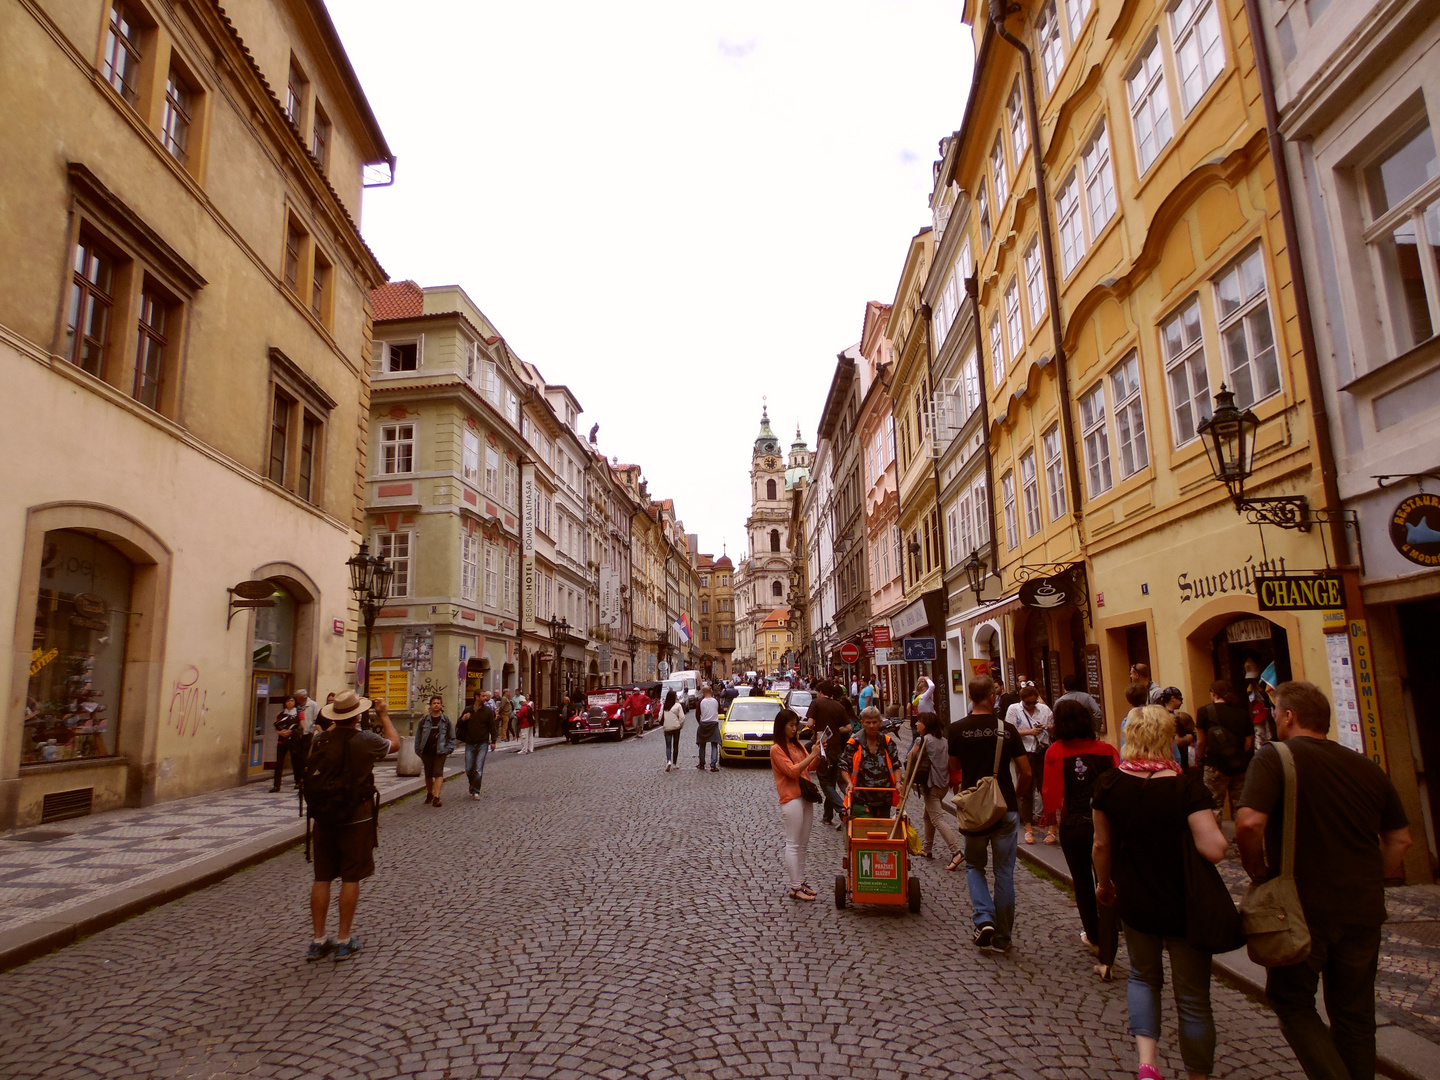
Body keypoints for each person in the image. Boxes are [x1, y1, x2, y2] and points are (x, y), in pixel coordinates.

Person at [1235, 681, 1412, 1080]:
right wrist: (1373, 877)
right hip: (1363, 908)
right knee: (1355, 1015)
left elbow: (1248, 823)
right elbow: (1401, 840)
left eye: (1277, 711)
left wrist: (1257, 871)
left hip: (1302, 906)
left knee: (1292, 1001)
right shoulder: (1367, 767)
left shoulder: (1275, 756)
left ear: (1288, 716)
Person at [1091, 705, 1229, 1080]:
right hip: (1184, 901)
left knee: (1142, 978)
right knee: (1194, 999)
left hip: (1135, 897)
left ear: (1130, 737)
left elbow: (1101, 846)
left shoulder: (1109, 785)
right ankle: (1198, 1074)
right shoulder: (1186, 787)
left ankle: (1147, 1063)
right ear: (1167, 738)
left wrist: (1104, 885)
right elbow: (1215, 849)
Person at [305, 690, 400, 962]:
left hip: (323, 817)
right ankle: (344, 939)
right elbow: (394, 744)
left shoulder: (320, 738)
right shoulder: (365, 740)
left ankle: (318, 939)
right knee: (350, 877)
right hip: (356, 815)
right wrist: (382, 714)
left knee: (322, 878)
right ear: (357, 715)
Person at [949, 675, 1030, 954]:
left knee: (974, 865)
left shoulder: (957, 729)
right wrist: (1016, 796)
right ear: (992, 697)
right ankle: (1003, 938)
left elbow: (954, 766)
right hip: (1004, 807)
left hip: (974, 810)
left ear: (971, 698)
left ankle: (984, 918)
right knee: (1005, 874)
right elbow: (1026, 771)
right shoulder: (1007, 730)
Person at [1042, 698, 1120, 979]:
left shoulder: (1056, 751)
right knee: (1108, 880)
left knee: (1083, 883)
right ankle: (1111, 936)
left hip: (1074, 824)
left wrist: (1051, 822)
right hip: (1106, 824)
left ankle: (1095, 934)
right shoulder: (1107, 750)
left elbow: (1050, 794)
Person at [770, 707, 823, 901]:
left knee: (803, 843)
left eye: (796, 725)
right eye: (791, 725)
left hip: (805, 796)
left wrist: (816, 755)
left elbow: (808, 768)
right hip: (791, 798)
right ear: (781, 726)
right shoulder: (776, 749)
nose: (795, 729)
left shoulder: (797, 745)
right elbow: (792, 772)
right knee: (793, 842)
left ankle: (799, 882)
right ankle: (794, 886)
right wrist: (811, 755)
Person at [908, 712, 963, 870]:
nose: (916, 724)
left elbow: (911, 757)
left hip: (931, 785)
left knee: (937, 819)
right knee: (927, 815)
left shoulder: (923, 740)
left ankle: (956, 852)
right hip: (943, 785)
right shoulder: (944, 741)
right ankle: (927, 849)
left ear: (926, 724)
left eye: (919, 721)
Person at [1195, 680, 1253, 820]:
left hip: (1215, 764)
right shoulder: (1243, 713)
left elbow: (1201, 741)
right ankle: (1240, 839)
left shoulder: (1204, 712)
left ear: (1213, 693)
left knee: (1214, 805)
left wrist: (1201, 758)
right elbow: (1248, 742)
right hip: (1240, 765)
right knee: (1240, 804)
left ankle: (1216, 840)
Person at [1005, 682, 1054, 845]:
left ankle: (1052, 827)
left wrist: (1047, 727)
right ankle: (1028, 827)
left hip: (1042, 752)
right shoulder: (1014, 709)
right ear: (1022, 701)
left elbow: (1055, 729)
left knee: (1046, 789)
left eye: (1034, 702)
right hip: (1024, 752)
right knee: (1026, 790)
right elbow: (1009, 731)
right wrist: (1030, 732)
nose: (1032, 706)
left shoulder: (1045, 710)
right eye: (1028, 703)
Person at [838, 706, 901, 821]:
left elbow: (896, 765)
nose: (871, 726)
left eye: (874, 722)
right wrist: (848, 783)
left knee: (883, 833)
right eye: (868, 722)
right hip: (861, 798)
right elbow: (844, 766)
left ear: (880, 723)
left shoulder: (887, 742)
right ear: (862, 723)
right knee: (864, 832)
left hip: (884, 797)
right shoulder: (854, 743)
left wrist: (898, 782)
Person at [808, 681, 851, 828]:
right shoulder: (839, 706)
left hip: (822, 749)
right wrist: (836, 731)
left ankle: (843, 809)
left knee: (825, 783)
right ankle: (827, 816)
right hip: (837, 749)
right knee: (831, 782)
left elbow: (810, 724)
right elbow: (849, 727)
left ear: (820, 691)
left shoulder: (816, 703)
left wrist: (815, 728)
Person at [413, 695, 455, 807]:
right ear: (430, 706)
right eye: (434, 703)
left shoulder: (446, 721)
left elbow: (451, 736)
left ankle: (437, 797)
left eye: (438, 703)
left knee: (438, 773)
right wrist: (418, 750)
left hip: (440, 751)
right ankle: (430, 793)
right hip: (426, 751)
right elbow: (418, 736)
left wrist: (448, 749)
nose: (436, 705)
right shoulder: (424, 721)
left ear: (441, 705)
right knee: (428, 774)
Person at [456, 692, 493, 800]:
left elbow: (492, 726)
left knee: (478, 768)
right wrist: (463, 719)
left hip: (483, 742)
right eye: (483, 696)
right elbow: (458, 724)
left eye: (486, 696)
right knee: (468, 768)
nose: (485, 698)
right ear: (477, 697)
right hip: (470, 742)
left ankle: (476, 791)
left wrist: (494, 740)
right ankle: (472, 783)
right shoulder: (468, 710)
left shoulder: (487, 711)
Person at [1160, 687, 1197, 771]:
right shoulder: (1172, 718)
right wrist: (1191, 736)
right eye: (1180, 699)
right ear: (1172, 698)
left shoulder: (1160, 716)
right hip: (1177, 760)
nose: (1182, 702)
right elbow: (1177, 741)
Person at [272, 696, 302, 792]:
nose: (290, 702)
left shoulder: (299, 713)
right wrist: (280, 733)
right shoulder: (281, 714)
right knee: (279, 763)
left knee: (296, 761)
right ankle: (276, 785)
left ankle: (298, 781)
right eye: (288, 701)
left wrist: (291, 732)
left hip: (294, 740)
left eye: (292, 700)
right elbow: (276, 726)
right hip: (282, 740)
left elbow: (302, 726)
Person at [695, 684, 721, 770]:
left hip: (704, 724)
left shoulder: (700, 702)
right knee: (714, 745)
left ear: (703, 692)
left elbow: (697, 714)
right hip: (713, 724)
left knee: (702, 745)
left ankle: (702, 763)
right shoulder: (716, 701)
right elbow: (719, 711)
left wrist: (700, 722)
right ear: (711, 692)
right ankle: (713, 765)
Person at [660, 689, 685, 771]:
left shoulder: (664, 706)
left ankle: (668, 761)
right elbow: (682, 717)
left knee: (668, 746)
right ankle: (674, 763)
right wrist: (680, 725)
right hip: (676, 728)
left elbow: (660, 717)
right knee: (675, 745)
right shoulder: (678, 706)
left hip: (667, 728)